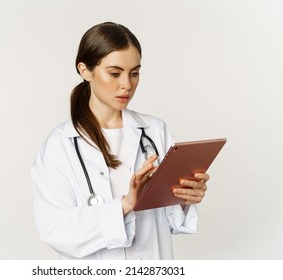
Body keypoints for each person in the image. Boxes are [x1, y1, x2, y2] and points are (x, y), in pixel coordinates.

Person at [31, 22, 209, 260]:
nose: (127, 84)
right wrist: (125, 204)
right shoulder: (59, 145)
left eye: (134, 73)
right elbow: (55, 231)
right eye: (115, 73)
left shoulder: (155, 131)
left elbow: (172, 221)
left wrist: (185, 197)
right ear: (85, 70)